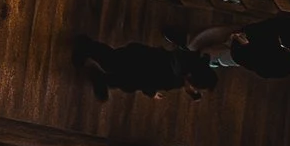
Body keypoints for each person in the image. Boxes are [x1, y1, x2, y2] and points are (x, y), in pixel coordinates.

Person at [186, 14, 290, 81]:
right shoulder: (288, 27)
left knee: (215, 56)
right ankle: (188, 43)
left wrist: (244, 45)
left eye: (282, 43)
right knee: (213, 36)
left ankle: (200, 59)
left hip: (242, 53)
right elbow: (268, 25)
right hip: (245, 36)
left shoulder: (285, 66)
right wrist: (243, 33)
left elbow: (256, 64)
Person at [72, 35, 214, 102]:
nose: (193, 90)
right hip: (135, 69)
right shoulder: (171, 79)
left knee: (111, 60)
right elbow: (148, 83)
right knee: (111, 64)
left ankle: (98, 70)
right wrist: (152, 93)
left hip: (139, 55)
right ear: (188, 76)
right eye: (195, 87)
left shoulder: (186, 62)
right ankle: (86, 47)